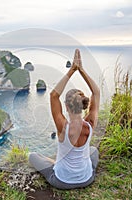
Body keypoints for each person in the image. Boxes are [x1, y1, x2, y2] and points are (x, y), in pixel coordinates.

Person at [29, 49, 100, 189]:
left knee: (32, 156)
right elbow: (96, 92)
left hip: (62, 181)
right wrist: (81, 70)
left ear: (66, 107)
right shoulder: (90, 124)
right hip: (87, 179)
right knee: (94, 150)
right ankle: (66, 166)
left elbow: (53, 95)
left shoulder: (63, 127)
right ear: (84, 106)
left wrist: (72, 70)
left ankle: (55, 163)